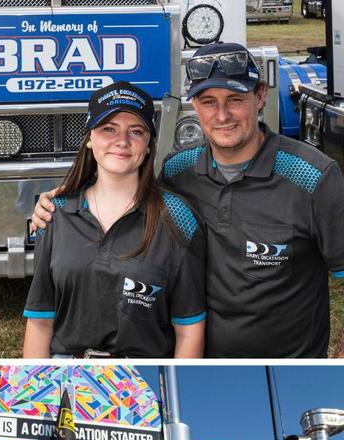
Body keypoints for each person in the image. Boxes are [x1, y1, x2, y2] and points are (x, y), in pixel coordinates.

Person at [33, 43, 344, 358]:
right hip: (197, 365)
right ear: (195, 105)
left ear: (260, 96)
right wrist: (60, 199)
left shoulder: (314, 177)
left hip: (285, 368)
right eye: (208, 101)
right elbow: (122, 190)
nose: (222, 115)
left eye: (235, 99)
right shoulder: (177, 170)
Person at [22, 82, 206, 358]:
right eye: (109, 129)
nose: (122, 141)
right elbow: (40, 322)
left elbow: (189, 330)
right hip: (67, 377)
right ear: (89, 138)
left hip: (138, 379)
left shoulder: (177, 218)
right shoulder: (55, 214)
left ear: (147, 146)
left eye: (136, 131)